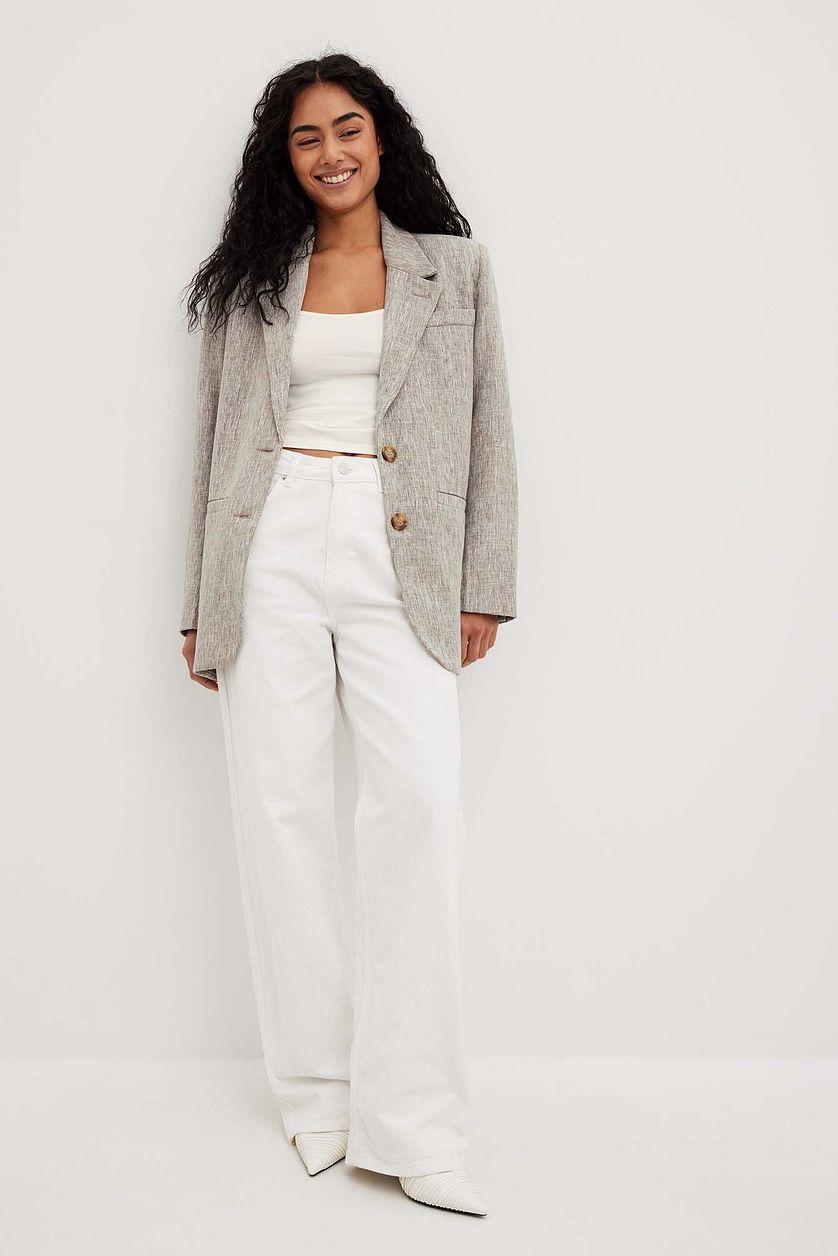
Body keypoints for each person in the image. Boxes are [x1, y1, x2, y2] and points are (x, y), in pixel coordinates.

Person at [179, 52, 518, 1218]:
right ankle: (316, 1094)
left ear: (383, 139)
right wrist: (201, 602)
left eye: (348, 128)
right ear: (284, 160)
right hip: (268, 540)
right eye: (306, 137)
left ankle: (412, 1120)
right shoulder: (253, 281)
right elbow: (213, 439)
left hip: (399, 547)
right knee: (277, 808)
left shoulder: (454, 269)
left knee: (418, 802)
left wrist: (485, 583)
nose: (330, 151)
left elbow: (490, 428)